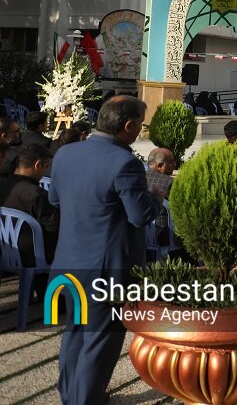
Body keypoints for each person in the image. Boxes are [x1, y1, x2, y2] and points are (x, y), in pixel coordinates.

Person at [50, 96, 159, 404]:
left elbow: (55, 200)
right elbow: (140, 216)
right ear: (128, 126)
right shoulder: (125, 162)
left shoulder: (65, 153)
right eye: (140, 125)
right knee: (100, 340)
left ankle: (70, 394)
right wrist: (156, 197)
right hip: (105, 270)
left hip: (67, 261)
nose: (140, 131)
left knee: (75, 331)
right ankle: (86, 399)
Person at [0, 144, 58, 265]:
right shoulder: (36, 195)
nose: (45, 172)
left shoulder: (4, 185)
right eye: (46, 166)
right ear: (37, 165)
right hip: (34, 258)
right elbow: (55, 228)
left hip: (5, 253)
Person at [145, 148, 176, 248]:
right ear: (160, 166)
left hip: (142, 238)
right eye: (171, 162)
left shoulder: (138, 179)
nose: (175, 164)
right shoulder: (169, 183)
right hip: (165, 239)